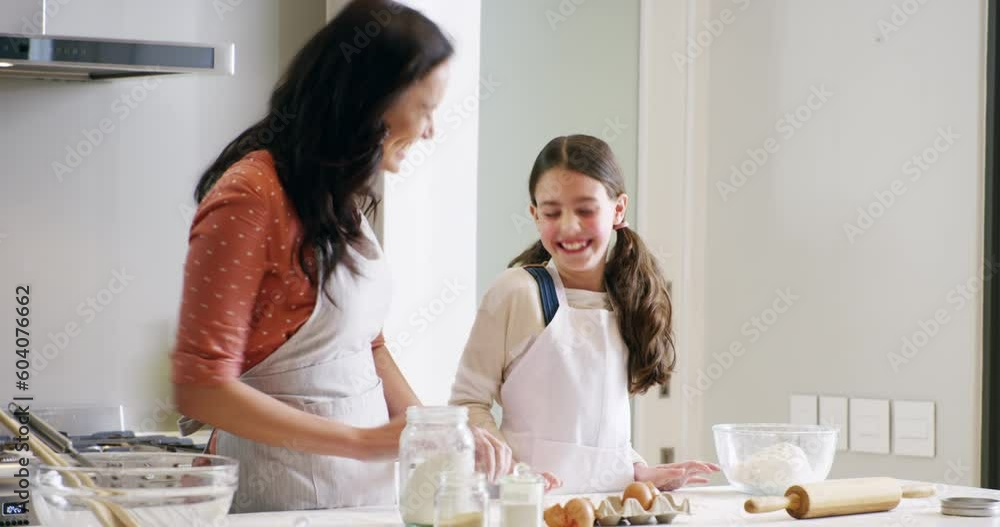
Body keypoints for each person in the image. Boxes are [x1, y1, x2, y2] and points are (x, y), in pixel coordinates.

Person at [170, 0, 502, 513]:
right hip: (276, 500)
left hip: (363, 499)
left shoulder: (337, 197)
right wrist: (363, 442)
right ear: (372, 101)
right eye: (427, 108)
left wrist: (431, 431)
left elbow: (368, 346)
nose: (432, 130)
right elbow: (200, 389)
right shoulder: (250, 197)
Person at [450, 134, 720, 494]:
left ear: (618, 209)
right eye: (551, 212)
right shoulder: (518, 292)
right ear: (534, 214)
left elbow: (595, 429)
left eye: (585, 209)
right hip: (530, 506)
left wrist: (638, 470)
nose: (568, 226)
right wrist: (514, 474)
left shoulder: (631, 296)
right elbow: (468, 404)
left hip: (610, 508)